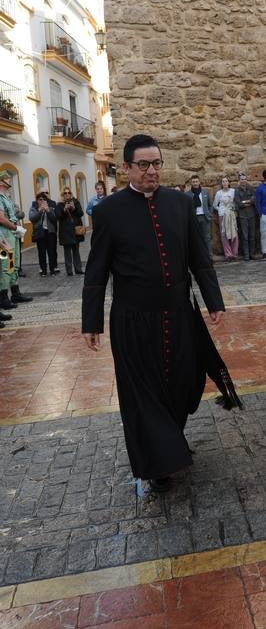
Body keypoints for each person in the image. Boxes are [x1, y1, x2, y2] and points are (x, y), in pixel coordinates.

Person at [82, 134, 226, 492]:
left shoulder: (179, 203)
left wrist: (214, 301)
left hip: (178, 314)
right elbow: (96, 271)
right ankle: (160, 462)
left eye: (157, 163)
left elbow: (199, 259)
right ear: (127, 168)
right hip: (133, 319)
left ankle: (170, 442)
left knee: (181, 382)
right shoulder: (107, 212)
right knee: (142, 390)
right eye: (143, 165)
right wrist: (91, 322)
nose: (152, 171)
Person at [0, 170, 32, 310]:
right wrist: (14, 227)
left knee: (14, 264)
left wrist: (17, 228)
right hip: (4, 236)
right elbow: (1, 218)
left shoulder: (6, 197)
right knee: (6, 265)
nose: (9, 181)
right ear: (2, 181)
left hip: (12, 234)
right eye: (7, 178)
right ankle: (3, 297)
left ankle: (15, 292)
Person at [29, 191, 59, 276]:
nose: (42, 201)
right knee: (41, 252)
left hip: (50, 232)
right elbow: (32, 218)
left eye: (44, 199)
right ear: (37, 201)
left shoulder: (50, 208)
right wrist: (40, 211)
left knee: (51, 252)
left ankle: (52, 270)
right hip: (40, 233)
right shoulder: (33, 208)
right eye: (40, 199)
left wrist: (48, 210)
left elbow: (54, 219)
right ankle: (43, 270)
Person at [56, 188, 85, 276]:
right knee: (67, 252)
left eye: (69, 193)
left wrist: (74, 208)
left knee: (76, 250)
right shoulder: (59, 205)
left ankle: (78, 269)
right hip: (65, 232)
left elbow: (81, 213)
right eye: (65, 193)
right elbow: (57, 216)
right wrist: (64, 210)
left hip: (75, 230)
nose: (67, 194)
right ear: (62, 195)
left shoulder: (76, 202)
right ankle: (69, 270)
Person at [213, 176, 238, 262]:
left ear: (229, 183)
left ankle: (234, 253)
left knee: (234, 233)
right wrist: (221, 210)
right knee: (224, 234)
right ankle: (228, 254)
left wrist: (232, 209)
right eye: (223, 181)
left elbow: (236, 202)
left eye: (226, 181)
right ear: (221, 184)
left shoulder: (233, 191)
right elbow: (215, 205)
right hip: (222, 215)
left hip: (231, 214)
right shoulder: (219, 193)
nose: (225, 183)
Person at [185, 176, 213, 255]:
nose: (195, 183)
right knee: (196, 238)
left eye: (196, 181)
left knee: (207, 238)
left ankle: (209, 256)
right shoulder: (187, 194)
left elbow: (210, 204)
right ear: (191, 183)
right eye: (193, 182)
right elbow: (186, 207)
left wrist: (210, 214)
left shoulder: (205, 192)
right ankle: (199, 257)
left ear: (199, 182)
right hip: (194, 218)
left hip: (205, 217)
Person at [234, 172, 257, 260]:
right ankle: (246, 255)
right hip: (243, 216)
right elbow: (238, 203)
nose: (243, 181)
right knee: (245, 236)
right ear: (239, 180)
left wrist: (246, 202)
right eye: (242, 179)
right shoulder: (236, 190)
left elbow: (254, 200)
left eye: (244, 179)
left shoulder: (251, 189)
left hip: (252, 214)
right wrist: (247, 202)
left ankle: (252, 254)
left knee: (252, 235)